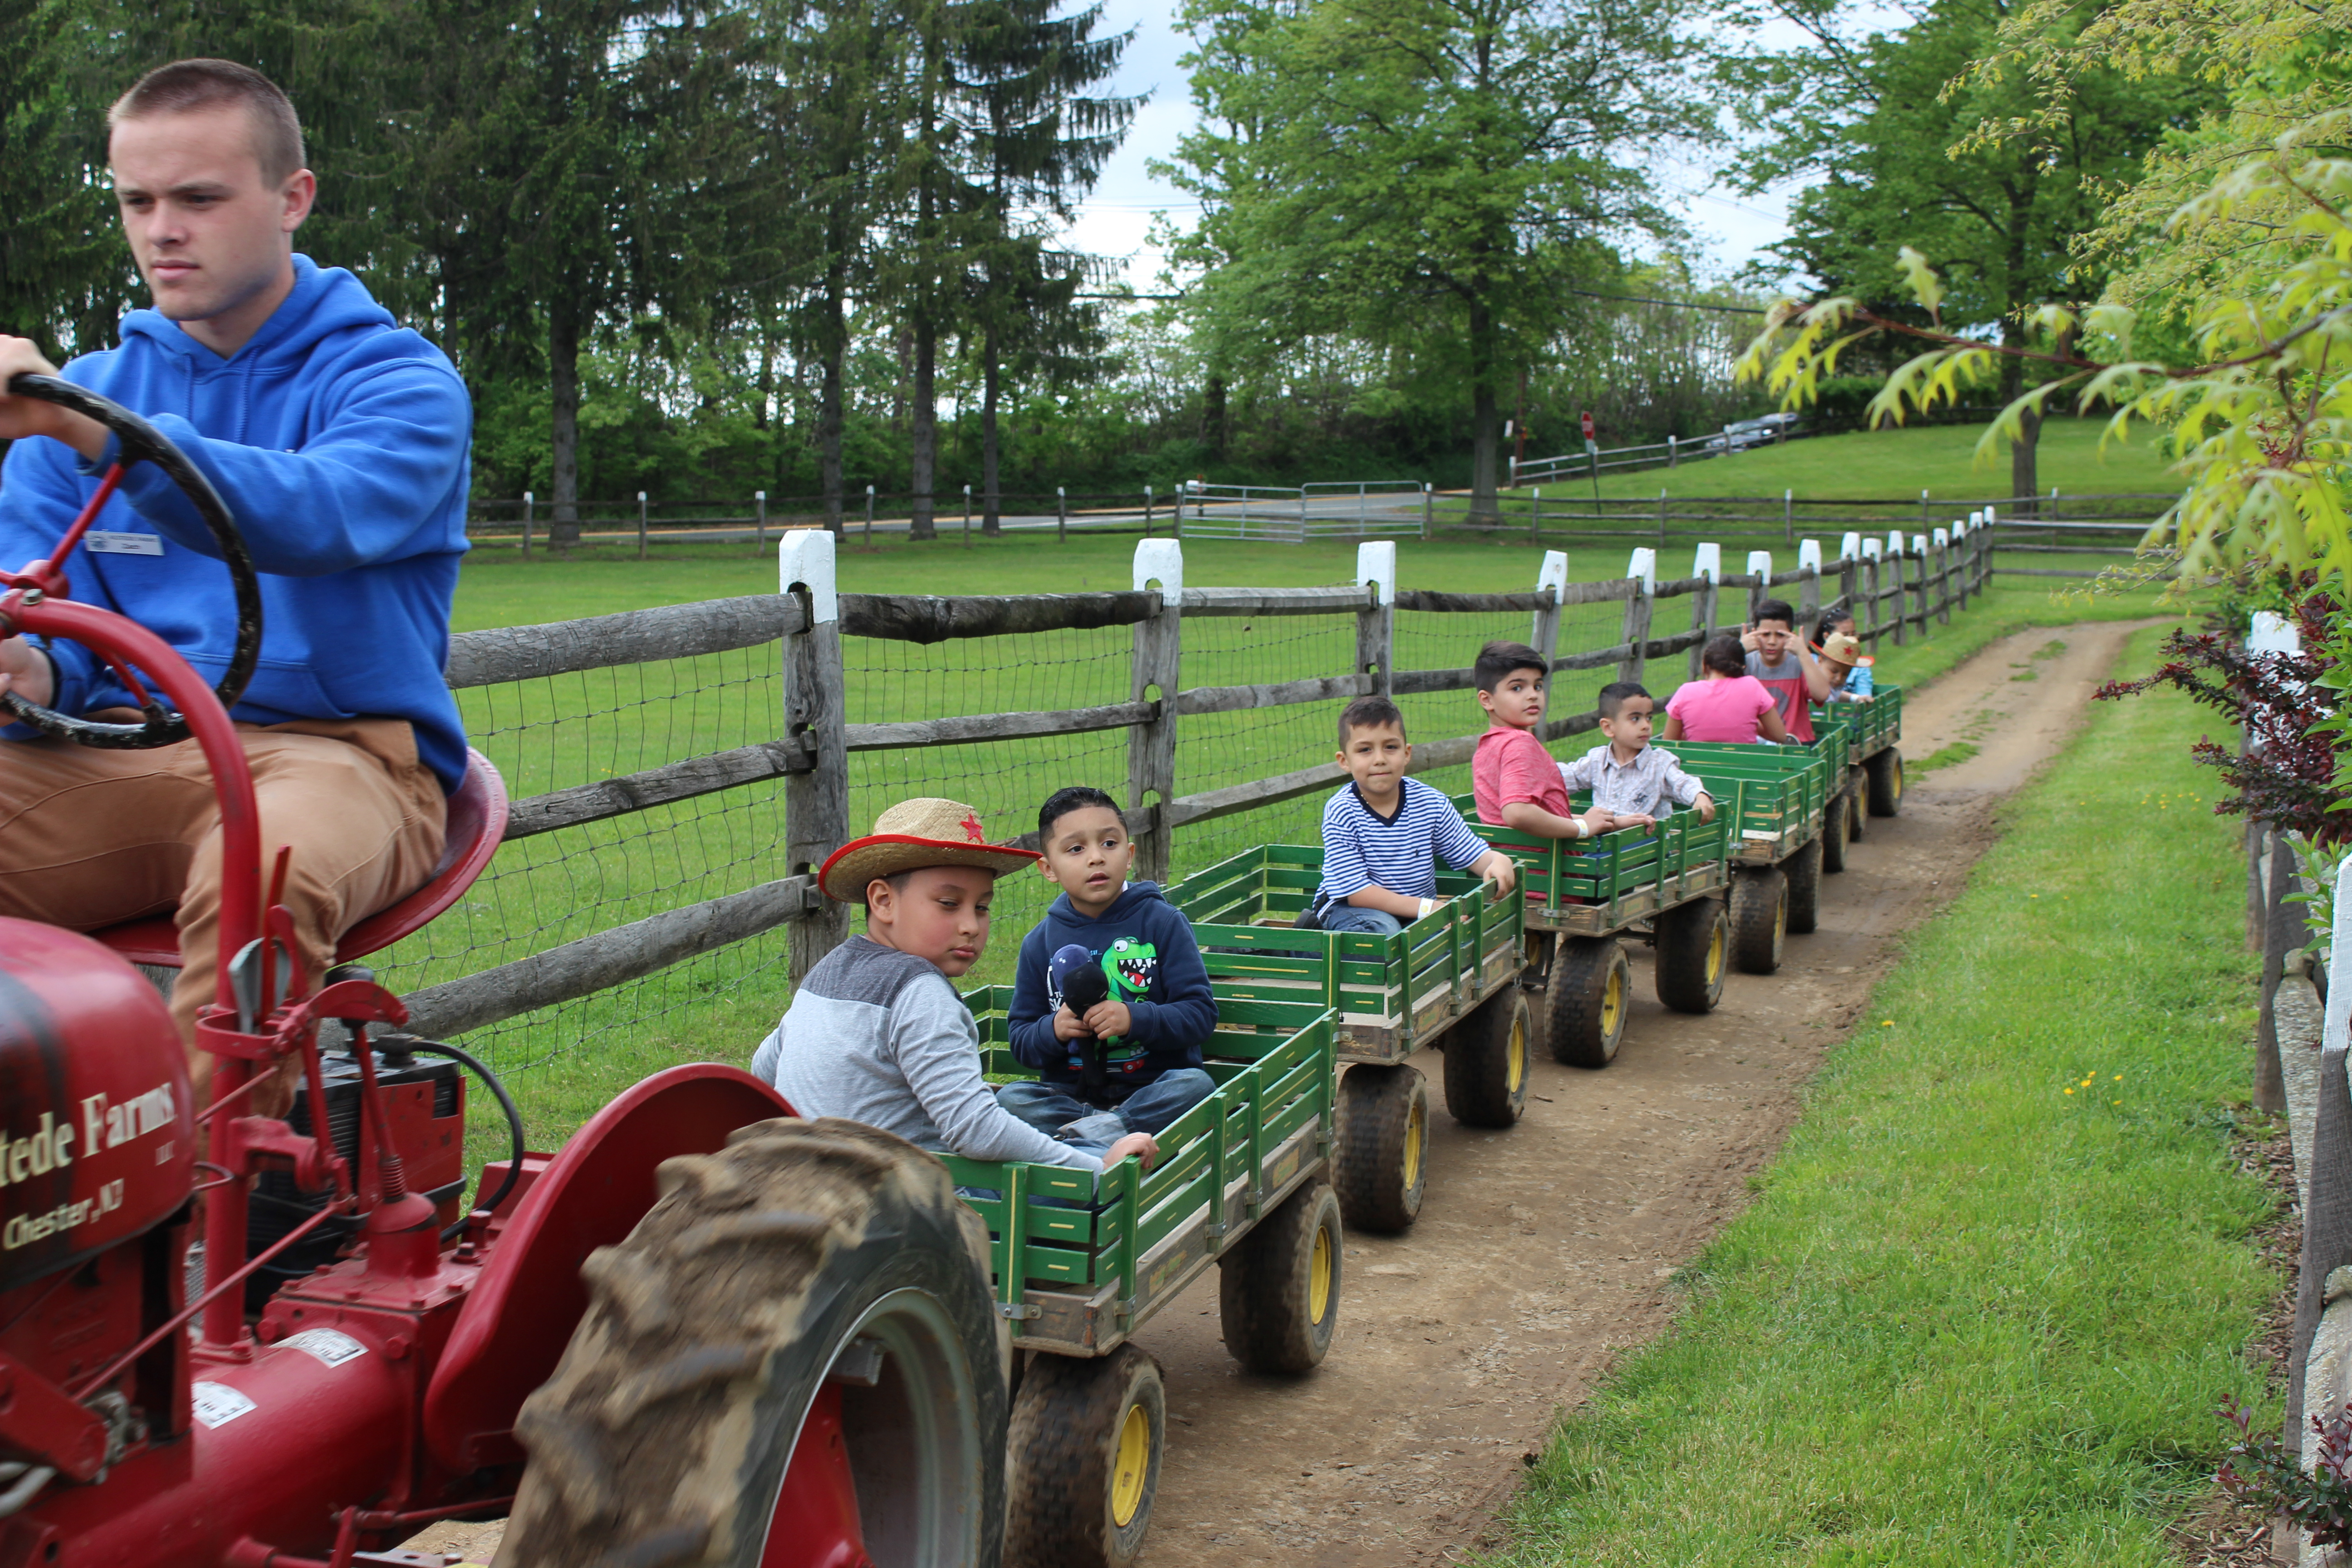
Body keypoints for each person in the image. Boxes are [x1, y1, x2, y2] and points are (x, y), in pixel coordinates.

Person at [0, 59, 470, 1111]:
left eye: (199, 198)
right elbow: (54, 640)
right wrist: (24, 664)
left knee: (264, 874)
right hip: (125, 748)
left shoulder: (396, 381)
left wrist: (91, 428)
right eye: (138, 200)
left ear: (292, 197)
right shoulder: (75, 404)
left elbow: (315, 512)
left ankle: (184, 1229)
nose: (163, 228)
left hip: (345, 757)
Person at [752, 797, 1159, 1174]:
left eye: (982, 907)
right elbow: (974, 1130)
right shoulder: (919, 991)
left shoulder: (827, 970)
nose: (971, 926)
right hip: (916, 1202)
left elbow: (765, 1067)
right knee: (1102, 1164)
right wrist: (1097, 1169)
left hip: (817, 1183)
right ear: (883, 901)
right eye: (949, 904)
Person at [998, 786, 1219, 1149]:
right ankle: (1103, 1131)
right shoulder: (1039, 943)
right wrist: (1055, 1028)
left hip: (1152, 1089)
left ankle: (1093, 1137)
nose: (1096, 858)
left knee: (1196, 1087)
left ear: (1129, 855)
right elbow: (1022, 1041)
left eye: (1110, 844)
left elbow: (1199, 1015)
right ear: (1048, 868)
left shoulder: (1163, 923)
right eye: (1076, 849)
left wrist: (1136, 1019)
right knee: (1012, 1099)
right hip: (1069, 1098)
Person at [1303, 695, 1517, 936]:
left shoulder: (1430, 803)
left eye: (1390, 747)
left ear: (1406, 753)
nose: (1380, 759)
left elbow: (1472, 853)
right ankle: (1297, 951)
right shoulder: (1342, 811)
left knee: (1449, 944)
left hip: (1415, 912)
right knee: (1381, 932)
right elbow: (1357, 893)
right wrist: (1428, 908)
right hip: (1351, 910)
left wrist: (1498, 861)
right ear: (1345, 761)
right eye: (1365, 750)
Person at [1470, 640, 1620, 838]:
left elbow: (1540, 814)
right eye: (1517, 688)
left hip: (1513, 858)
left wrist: (1608, 822)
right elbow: (1517, 813)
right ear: (1487, 700)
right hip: (1547, 863)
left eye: (1538, 686)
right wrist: (1582, 829)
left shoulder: (1489, 745)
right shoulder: (1519, 743)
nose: (1533, 695)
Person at [1557, 682, 1716, 828]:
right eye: (1635, 719)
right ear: (1608, 728)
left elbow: (1682, 783)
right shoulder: (1597, 761)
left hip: (1648, 846)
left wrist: (1700, 796)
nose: (1646, 726)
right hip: (1605, 842)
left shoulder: (1659, 763)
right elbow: (1566, 776)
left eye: (1649, 718)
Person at [1662, 635, 1791, 745]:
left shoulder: (1686, 692)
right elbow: (1780, 736)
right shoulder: (1752, 686)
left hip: (1696, 770)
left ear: (1704, 665)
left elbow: (1668, 743)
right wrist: (1753, 726)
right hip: (1744, 770)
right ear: (1743, 667)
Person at [1740, 598, 1833, 742]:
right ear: (1754, 633)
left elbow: (1822, 695)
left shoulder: (1800, 662)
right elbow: (1715, 690)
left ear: (1792, 635)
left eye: (1781, 635)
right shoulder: (1745, 663)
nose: (1772, 642)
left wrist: (1803, 653)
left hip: (1797, 742)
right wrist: (1738, 652)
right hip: (1754, 743)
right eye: (1765, 635)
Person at [1816, 628, 1875, 703]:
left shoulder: (1829, 687)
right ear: (1820, 661)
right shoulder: (1809, 685)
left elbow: (1835, 694)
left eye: (1846, 674)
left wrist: (1856, 698)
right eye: (1834, 671)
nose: (1839, 678)